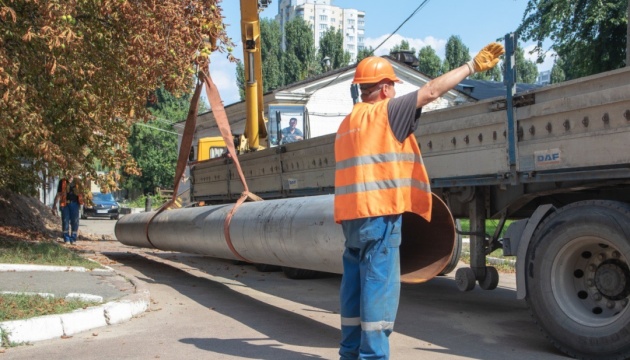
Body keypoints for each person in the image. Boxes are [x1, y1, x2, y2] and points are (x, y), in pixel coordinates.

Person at [334, 42, 505, 359]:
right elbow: (430, 92)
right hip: (379, 217)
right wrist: (471, 66)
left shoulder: (347, 124)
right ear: (385, 88)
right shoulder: (386, 113)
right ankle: (373, 356)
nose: (396, 93)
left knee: (354, 287)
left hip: (352, 219)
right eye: (393, 87)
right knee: (378, 288)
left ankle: (349, 353)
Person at [52, 175, 84, 244]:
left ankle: (73, 238)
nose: (70, 177)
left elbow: (83, 193)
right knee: (65, 221)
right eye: (68, 175)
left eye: (71, 175)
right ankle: (66, 238)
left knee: (75, 222)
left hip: (75, 204)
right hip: (65, 204)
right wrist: (54, 205)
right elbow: (58, 194)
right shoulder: (62, 181)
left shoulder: (77, 182)